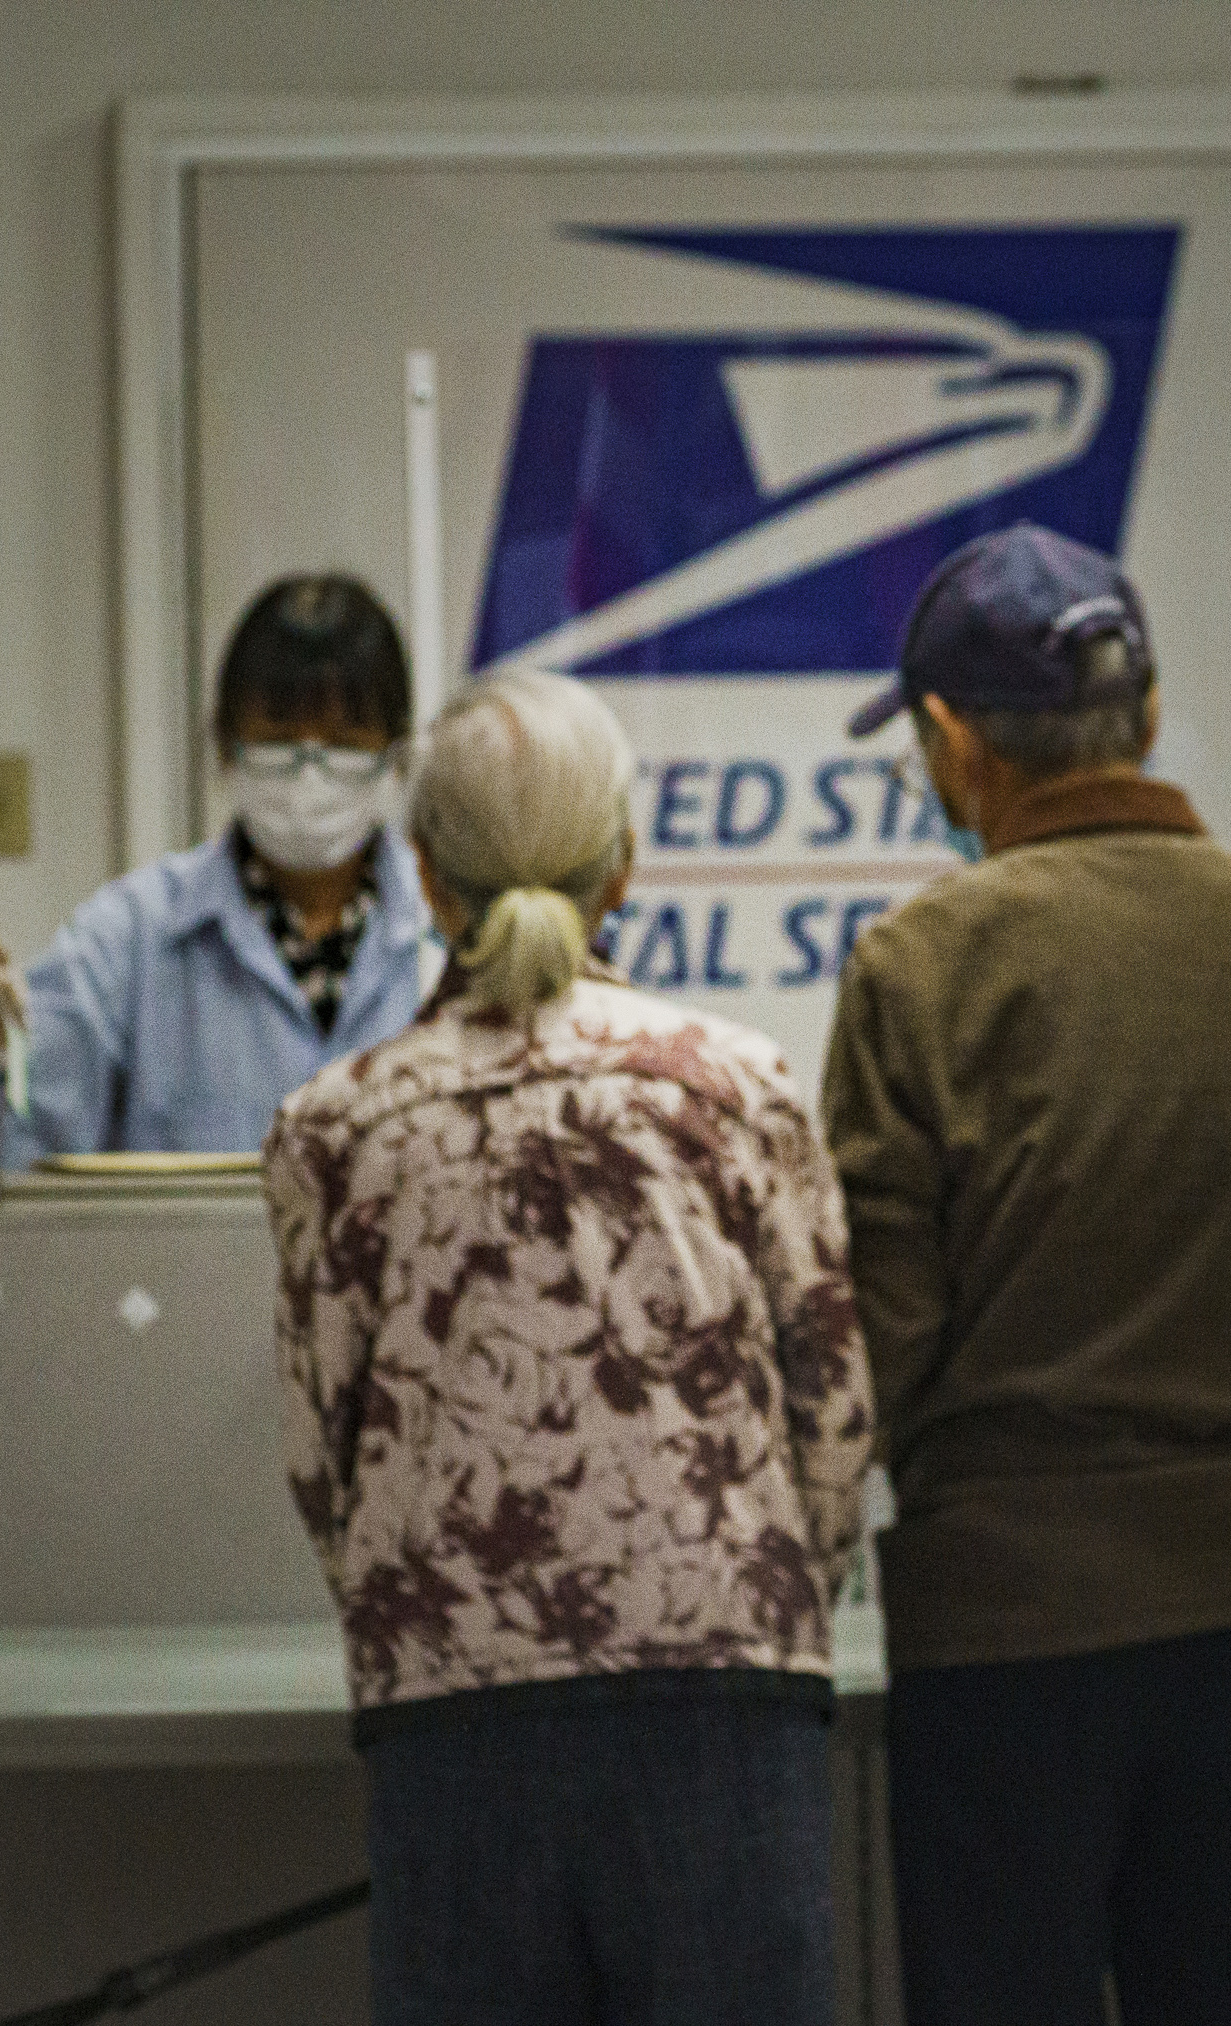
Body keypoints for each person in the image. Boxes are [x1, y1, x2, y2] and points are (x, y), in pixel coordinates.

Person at [822, 523, 1231, 2026]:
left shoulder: (919, 965)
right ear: (1150, 714)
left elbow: (873, 1347)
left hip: (1006, 1645)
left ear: (951, 741)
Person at [264, 668, 873, 2026]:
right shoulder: (738, 1082)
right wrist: (764, 1585)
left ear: (424, 876)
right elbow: (833, 1406)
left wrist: (426, 1603)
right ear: (627, 866)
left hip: (453, 1712)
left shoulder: (337, 1124)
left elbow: (321, 1449)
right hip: (725, 1688)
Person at [0, 574, 430, 1205]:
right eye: (279, 737)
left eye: (343, 742)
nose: (307, 771)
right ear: (225, 745)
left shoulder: (450, 934)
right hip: (187, 1297)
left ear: (396, 755)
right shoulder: (130, 937)